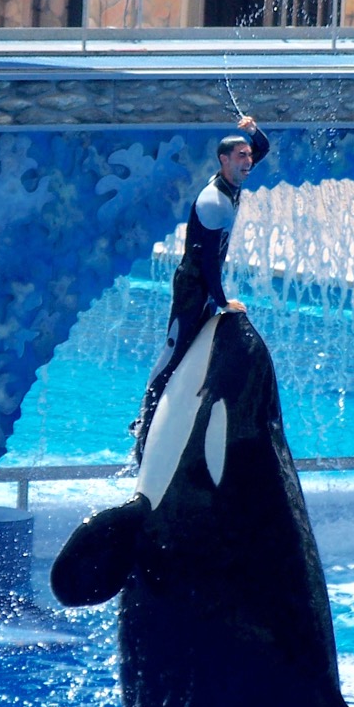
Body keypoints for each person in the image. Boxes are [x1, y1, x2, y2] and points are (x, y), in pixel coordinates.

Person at [133, 116, 270, 459]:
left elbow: (263, 148)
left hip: (206, 285)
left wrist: (253, 132)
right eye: (241, 155)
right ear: (223, 160)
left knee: (199, 354)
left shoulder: (234, 181)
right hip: (193, 286)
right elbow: (208, 261)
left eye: (248, 155)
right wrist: (222, 302)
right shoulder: (213, 201)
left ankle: (178, 419)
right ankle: (143, 424)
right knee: (174, 352)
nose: (248, 160)